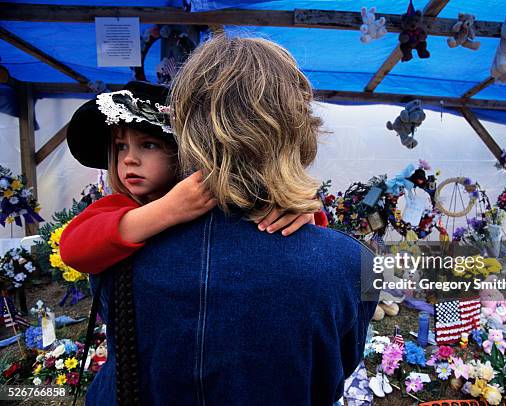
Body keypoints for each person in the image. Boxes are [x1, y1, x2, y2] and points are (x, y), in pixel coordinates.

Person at [75, 36, 377, 406]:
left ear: (184, 131)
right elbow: (336, 368)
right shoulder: (357, 262)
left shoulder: (116, 246)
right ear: (295, 128)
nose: (129, 159)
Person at [60, 81, 327, 276]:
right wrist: (168, 210)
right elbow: (73, 251)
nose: (129, 159)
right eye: (121, 147)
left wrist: (301, 210)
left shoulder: (209, 194)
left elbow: (308, 235)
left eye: (148, 145)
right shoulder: (119, 207)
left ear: (183, 153)